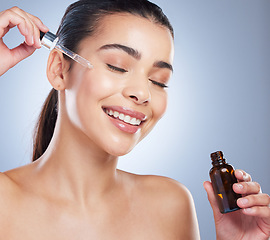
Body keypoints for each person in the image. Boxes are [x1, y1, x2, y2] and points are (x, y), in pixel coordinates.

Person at [0, 1, 269, 239]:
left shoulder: (170, 204)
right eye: (117, 66)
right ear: (59, 69)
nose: (142, 93)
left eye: (158, 81)